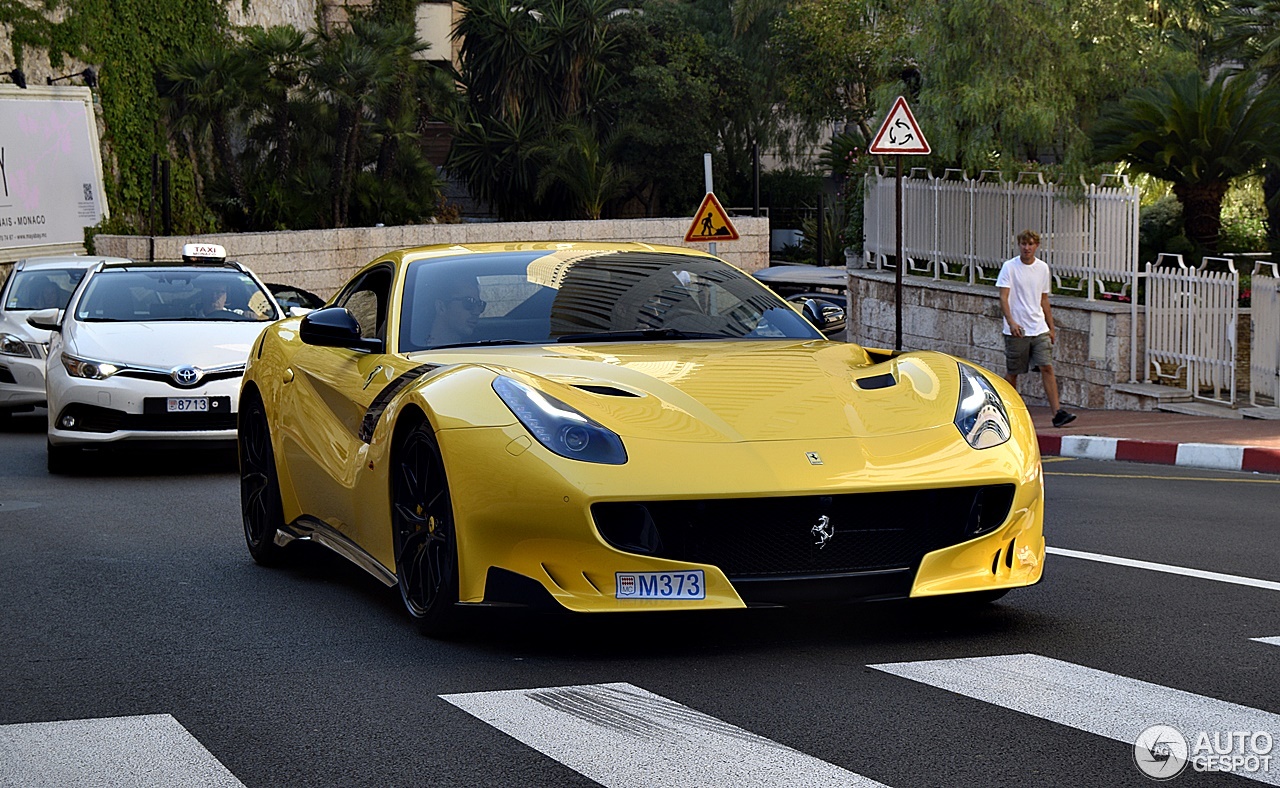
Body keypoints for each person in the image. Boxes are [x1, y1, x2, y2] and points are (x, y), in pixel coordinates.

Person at [997, 229, 1075, 428]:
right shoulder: (1010, 267)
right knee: (1014, 371)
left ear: (1037, 246)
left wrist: (1051, 327)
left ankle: (1057, 413)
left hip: (1038, 327)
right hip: (1018, 329)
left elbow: (1044, 299)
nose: (1027, 248)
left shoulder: (1042, 268)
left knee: (1046, 366)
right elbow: (1004, 297)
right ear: (1019, 245)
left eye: (1031, 244)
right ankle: (1009, 411)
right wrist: (1011, 322)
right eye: (1023, 244)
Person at [427, 277, 484, 346]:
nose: (477, 312)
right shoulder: (417, 354)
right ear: (441, 307)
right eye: (469, 302)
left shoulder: (479, 350)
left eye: (480, 304)